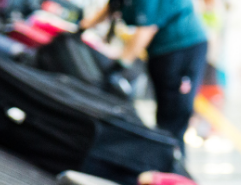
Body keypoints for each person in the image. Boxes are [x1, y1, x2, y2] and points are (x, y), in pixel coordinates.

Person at [80, 0, 208, 154]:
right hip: (160, 51)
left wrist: (121, 65)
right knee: (163, 111)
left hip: (182, 49)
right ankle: (161, 156)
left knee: (174, 114)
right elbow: (113, 5)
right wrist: (83, 27)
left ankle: (172, 162)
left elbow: (146, 30)